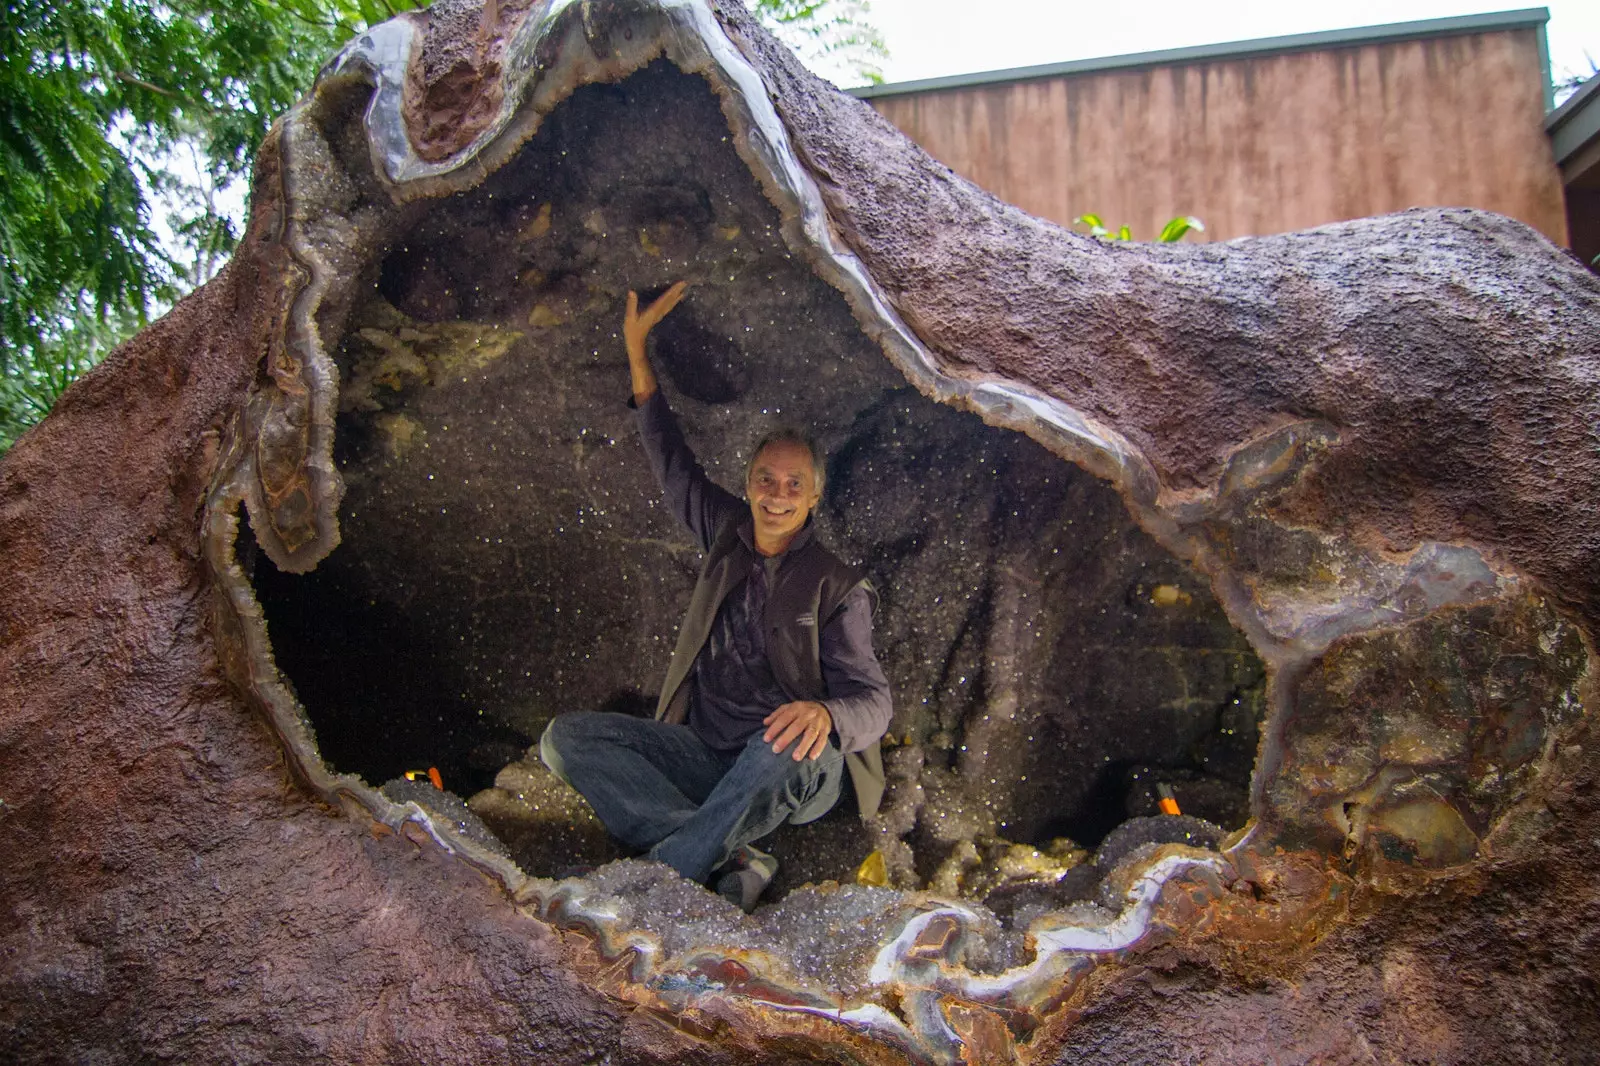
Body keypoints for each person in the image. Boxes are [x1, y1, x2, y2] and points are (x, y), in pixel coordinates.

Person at [539, 282, 892, 911]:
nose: (777, 495)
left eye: (793, 484)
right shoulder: (726, 531)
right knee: (565, 740)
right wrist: (636, 351)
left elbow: (875, 702)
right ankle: (729, 852)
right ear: (748, 484)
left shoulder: (838, 585)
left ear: (813, 497)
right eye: (765, 479)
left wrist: (827, 715)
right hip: (707, 753)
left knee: (779, 743)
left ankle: (660, 882)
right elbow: (671, 462)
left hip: (795, 766)